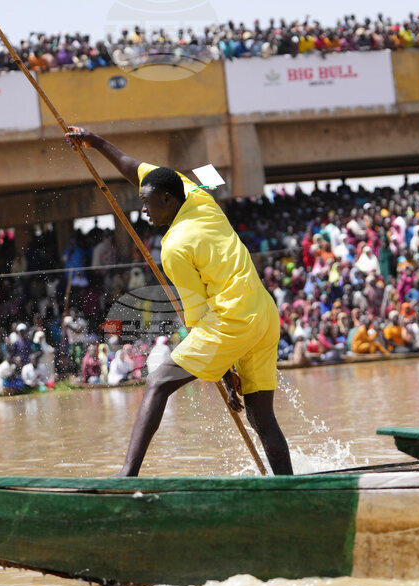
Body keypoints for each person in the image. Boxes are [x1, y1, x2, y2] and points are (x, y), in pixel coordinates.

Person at [67, 126, 293, 476]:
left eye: (147, 203)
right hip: (264, 313)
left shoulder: (173, 247)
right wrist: (96, 143)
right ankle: (289, 493)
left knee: (158, 383)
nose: (143, 209)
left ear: (167, 201)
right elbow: (135, 168)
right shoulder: (198, 194)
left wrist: (224, 369)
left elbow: (198, 316)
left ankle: (125, 479)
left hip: (232, 319)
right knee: (262, 418)